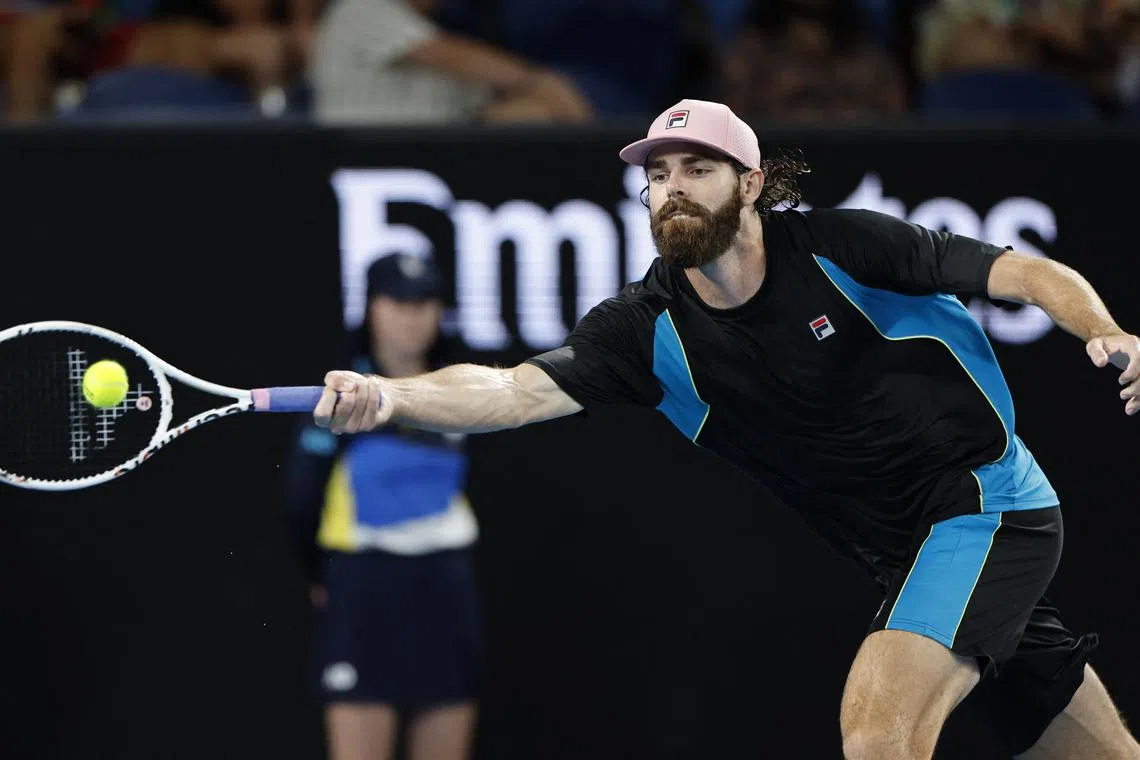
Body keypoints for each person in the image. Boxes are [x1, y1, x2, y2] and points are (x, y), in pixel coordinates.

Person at [311, 98, 1140, 759]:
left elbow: (1025, 271)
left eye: (697, 169)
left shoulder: (844, 247)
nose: (672, 187)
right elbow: (512, 391)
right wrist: (391, 398)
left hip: (984, 505)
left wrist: (1105, 328)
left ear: (749, 185)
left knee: (876, 730)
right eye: (658, 173)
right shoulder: (643, 329)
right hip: (908, 556)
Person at [283, 252, 481, 760]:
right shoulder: (338, 398)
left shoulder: (466, 388)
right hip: (363, 588)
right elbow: (301, 501)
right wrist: (322, 575)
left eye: (424, 301)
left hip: (444, 586)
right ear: (370, 308)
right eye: (397, 300)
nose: (411, 315)